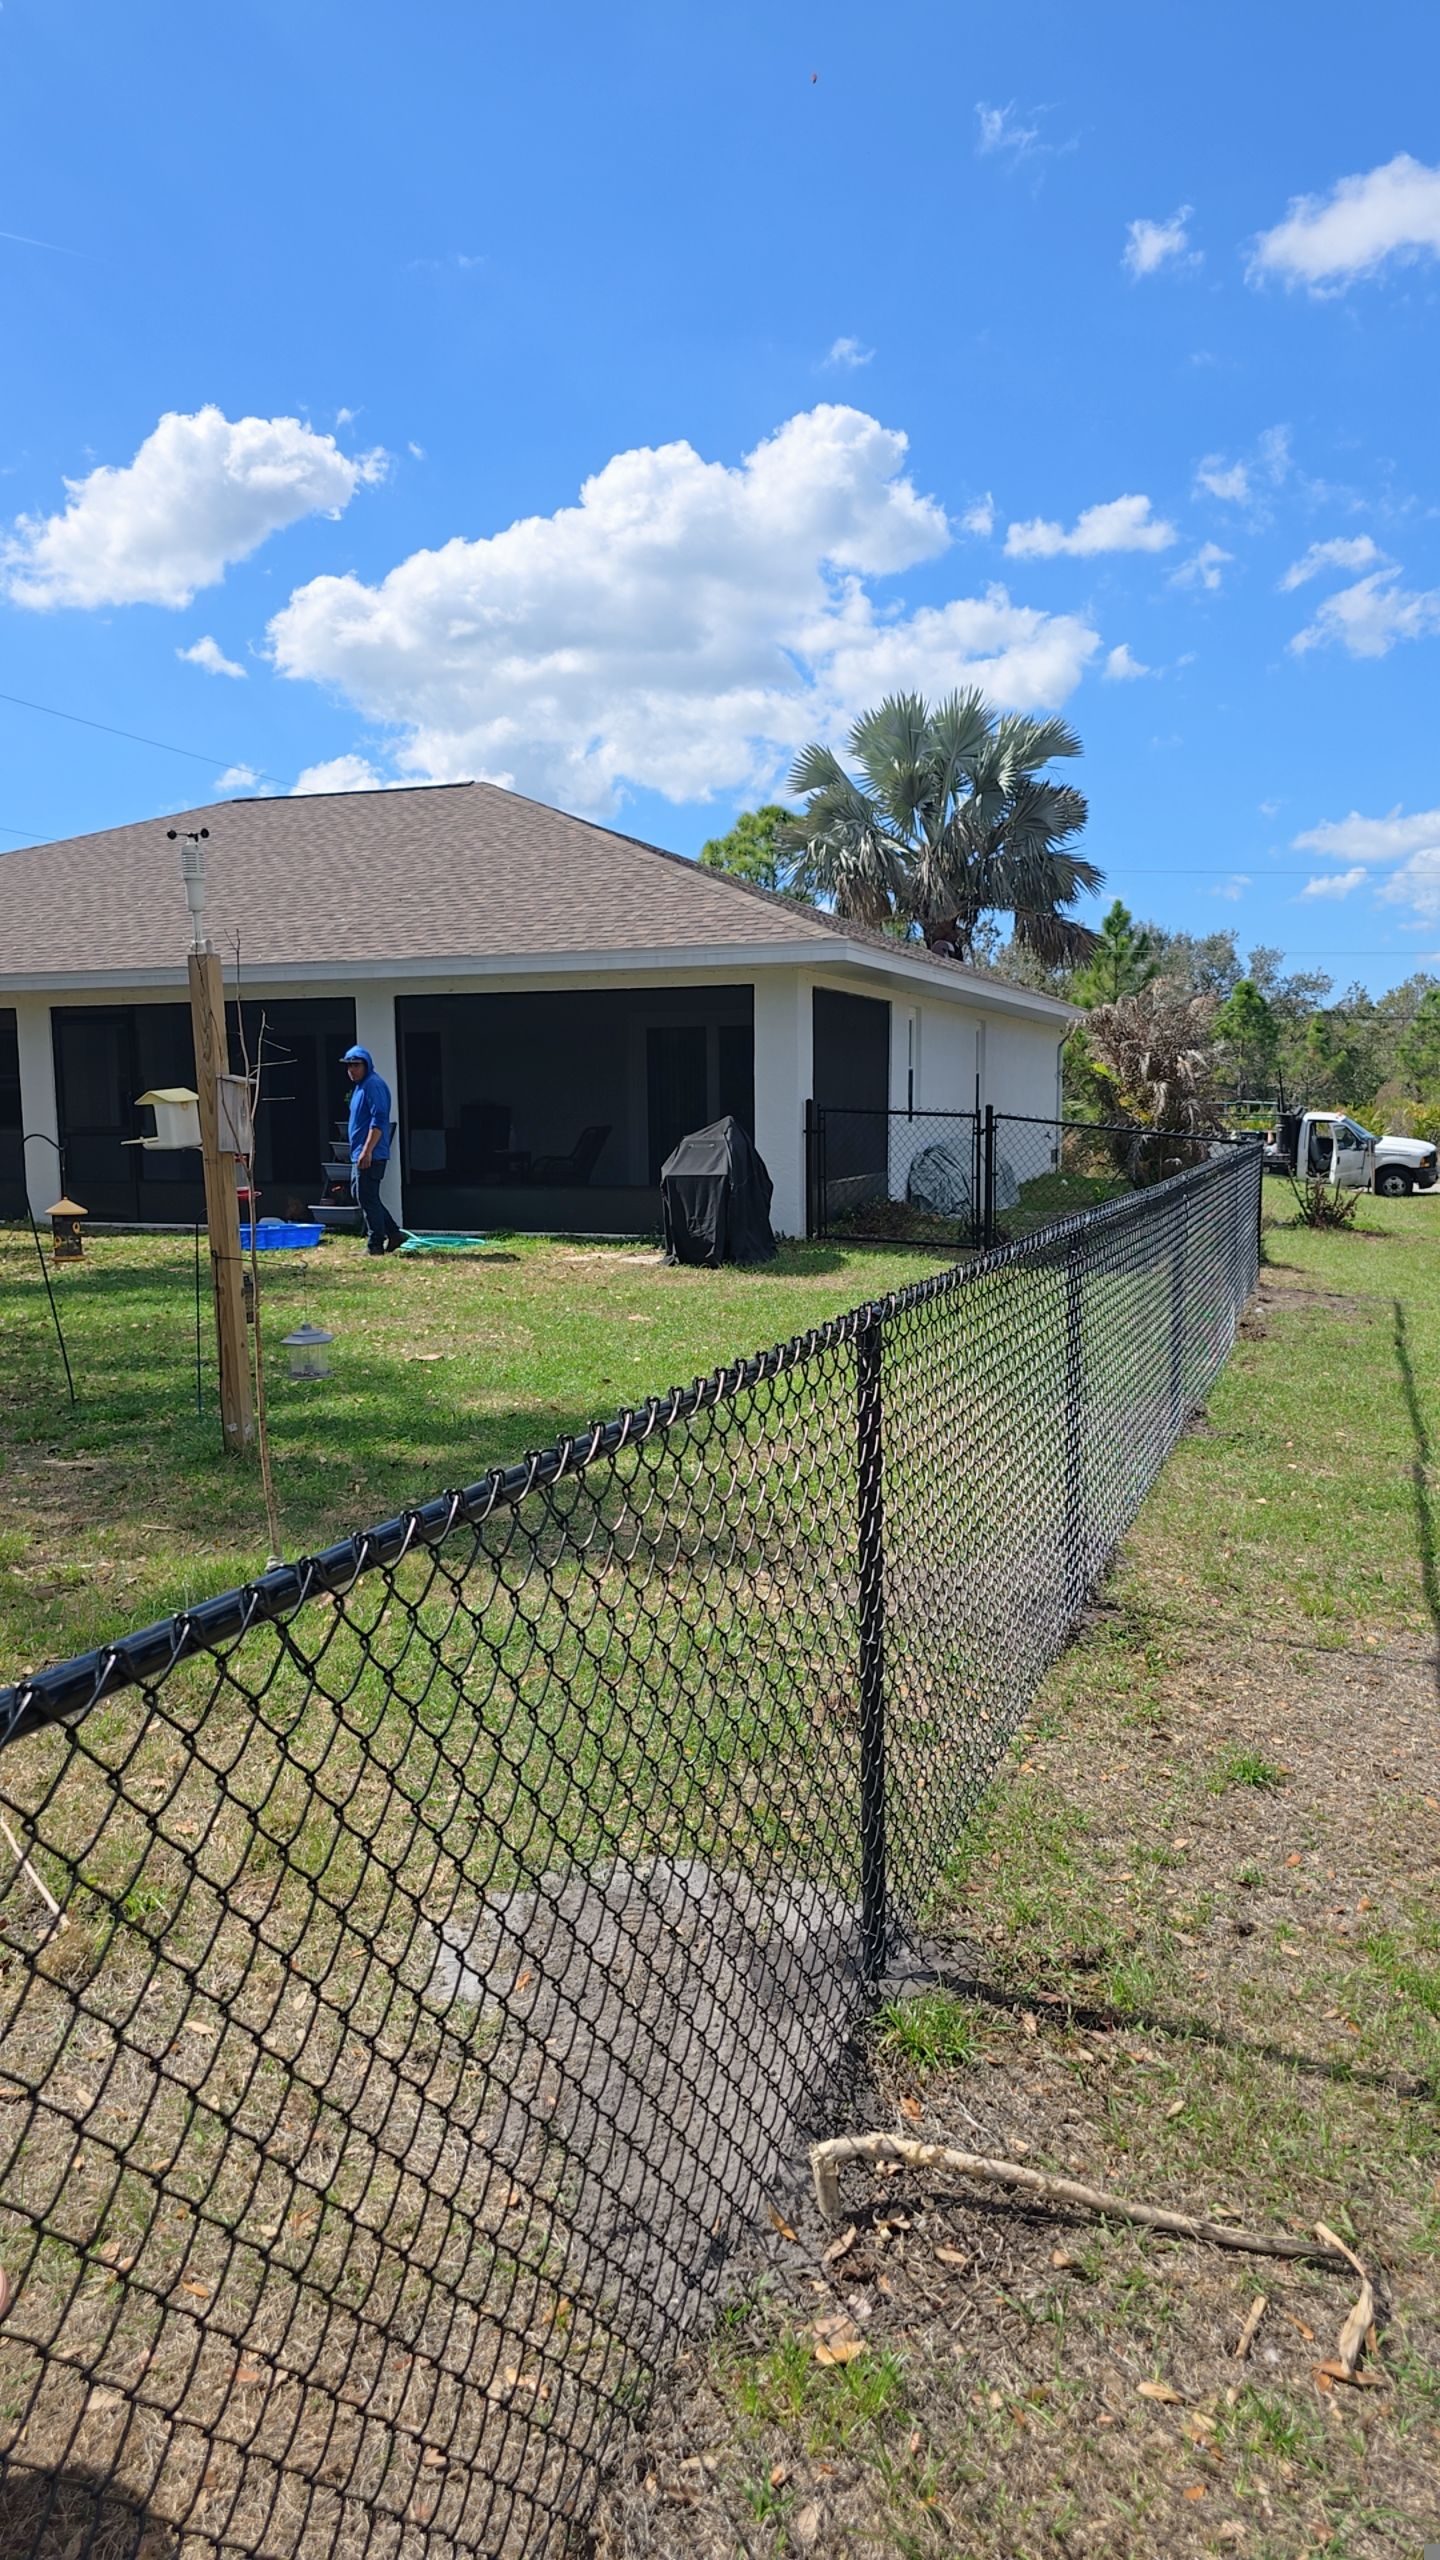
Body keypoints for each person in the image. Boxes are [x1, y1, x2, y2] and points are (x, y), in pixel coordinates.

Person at [342, 1044, 404, 1255]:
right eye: (349, 1066)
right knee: (362, 1194)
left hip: (371, 1154)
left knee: (367, 1197)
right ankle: (394, 1233)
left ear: (366, 1065)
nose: (352, 1069)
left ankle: (375, 1244)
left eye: (356, 1065)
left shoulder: (373, 1085)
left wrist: (367, 1150)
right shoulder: (360, 1087)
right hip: (359, 1152)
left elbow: (379, 1121)